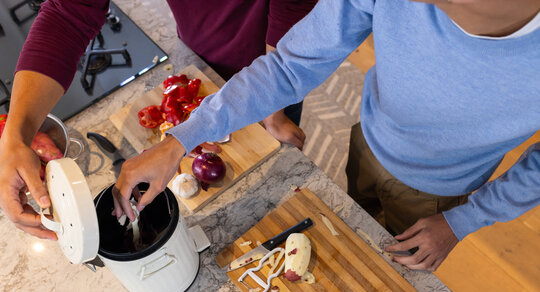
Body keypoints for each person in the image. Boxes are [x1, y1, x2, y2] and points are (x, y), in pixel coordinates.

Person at [2, 0, 539, 272]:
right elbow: (289, 66)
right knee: (359, 199)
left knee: (383, 253)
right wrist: (177, 142)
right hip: (372, 133)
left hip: (444, 185)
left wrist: (462, 219)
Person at [0, 0, 315, 238]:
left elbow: (295, 7)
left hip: (272, 61)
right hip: (196, 47)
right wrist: (14, 136)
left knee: (279, 208)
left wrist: (274, 108)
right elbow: (69, 14)